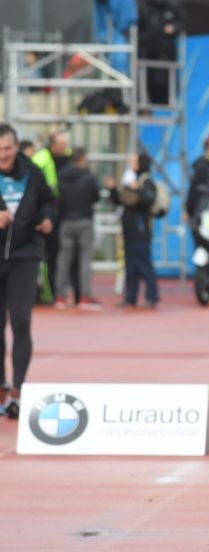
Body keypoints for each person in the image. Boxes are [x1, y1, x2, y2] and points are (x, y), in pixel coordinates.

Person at [0, 124, 56, 419]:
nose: (3, 155)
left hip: (25, 255)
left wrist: (47, 219)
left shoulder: (33, 173)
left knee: (21, 320)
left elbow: (50, 202)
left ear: (17, 147)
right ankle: (1, 386)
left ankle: (19, 388)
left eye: (8, 149)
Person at [106, 152, 160, 308]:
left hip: (140, 230)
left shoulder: (145, 181)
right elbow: (121, 201)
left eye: (134, 161)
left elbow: (148, 199)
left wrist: (137, 189)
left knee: (143, 264)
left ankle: (152, 296)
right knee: (130, 266)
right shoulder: (132, 179)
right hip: (129, 230)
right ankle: (130, 297)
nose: (131, 164)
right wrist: (113, 189)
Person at [55, 148, 102, 310]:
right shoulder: (88, 177)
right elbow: (96, 196)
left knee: (64, 259)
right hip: (84, 220)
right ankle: (84, 296)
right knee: (85, 260)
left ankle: (60, 296)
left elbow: (57, 196)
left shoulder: (61, 175)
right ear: (82, 159)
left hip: (66, 221)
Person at [31, 131, 72, 301]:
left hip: (62, 213)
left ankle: (56, 292)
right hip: (45, 212)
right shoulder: (41, 159)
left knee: (58, 255)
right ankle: (45, 293)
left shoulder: (68, 157)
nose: (65, 148)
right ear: (53, 145)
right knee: (46, 255)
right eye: (62, 145)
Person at [138, 0, 184, 105]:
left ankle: (169, 101)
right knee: (148, 79)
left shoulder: (172, 6)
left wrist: (174, 27)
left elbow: (183, 22)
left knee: (167, 78)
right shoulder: (143, 6)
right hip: (148, 51)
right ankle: (147, 103)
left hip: (166, 51)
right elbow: (137, 28)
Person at [185, 136, 209, 227]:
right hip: (200, 215)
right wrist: (188, 211)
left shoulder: (208, 167)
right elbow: (194, 190)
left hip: (205, 213)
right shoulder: (203, 167)